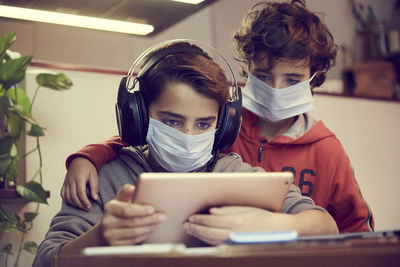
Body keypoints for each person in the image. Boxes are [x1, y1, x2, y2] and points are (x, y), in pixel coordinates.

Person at [60, 0, 374, 233]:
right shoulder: (226, 128)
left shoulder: (326, 150)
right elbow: (142, 142)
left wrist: (274, 223)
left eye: (291, 80)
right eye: (263, 76)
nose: (189, 137)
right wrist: (89, 156)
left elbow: (347, 227)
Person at [33, 41, 338, 267]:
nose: (189, 136)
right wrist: (99, 238)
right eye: (171, 121)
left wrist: (276, 226)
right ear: (137, 117)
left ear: (223, 126)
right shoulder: (103, 179)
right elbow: (45, 260)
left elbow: (325, 226)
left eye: (204, 123)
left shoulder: (235, 175)